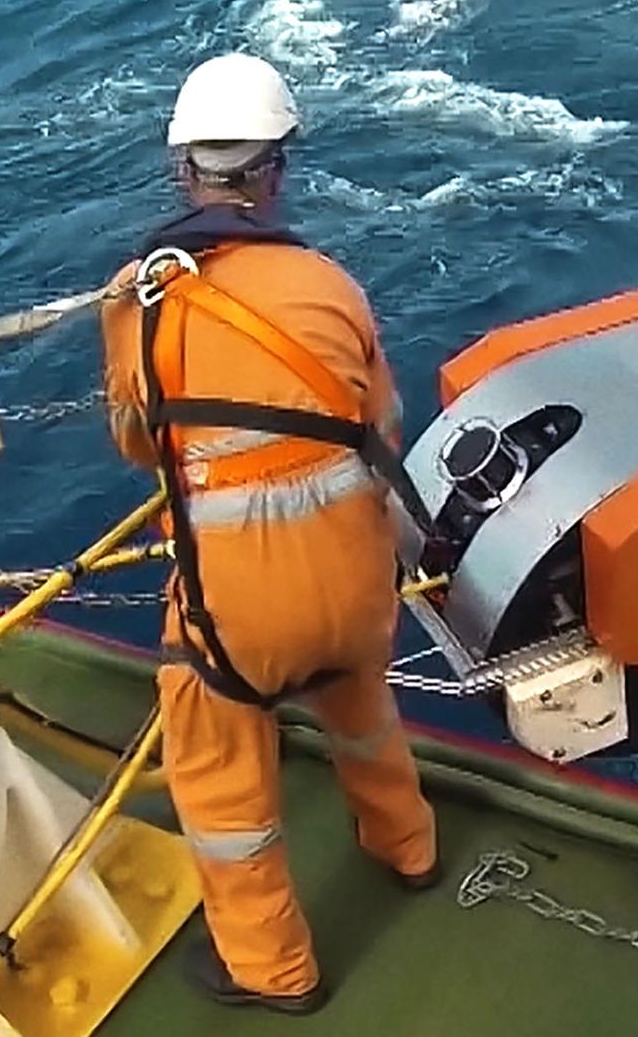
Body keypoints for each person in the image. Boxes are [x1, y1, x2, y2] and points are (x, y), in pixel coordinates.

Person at [98, 52, 438, 1016]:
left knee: (218, 777)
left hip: (237, 618)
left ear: (183, 171)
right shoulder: (331, 285)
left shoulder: (139, 297)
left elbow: (137, 444)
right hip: (358, 590)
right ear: (277, 170)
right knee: (364, 712)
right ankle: (408, 851)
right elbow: (385, 430)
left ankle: (273, 971)